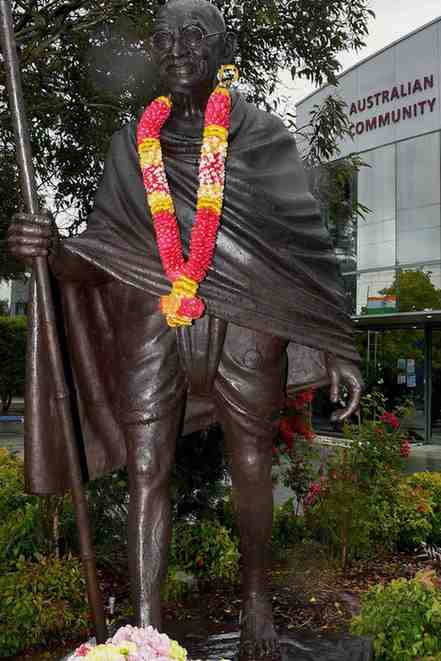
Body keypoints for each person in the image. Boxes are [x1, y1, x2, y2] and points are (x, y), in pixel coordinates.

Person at [8, 0, 363, 657]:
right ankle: (146, 634)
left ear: (223, 48)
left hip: (247, 319)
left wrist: (337, 343)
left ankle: (257, 610)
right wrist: (50, 250)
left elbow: (304, 248)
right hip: (149, 316)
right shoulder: (129, 145)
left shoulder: (261, 136)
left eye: (193, 34)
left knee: (252, 462)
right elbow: (101, 252)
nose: (177, 47)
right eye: (164, 37)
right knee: (147, 468)